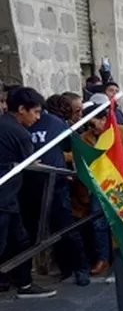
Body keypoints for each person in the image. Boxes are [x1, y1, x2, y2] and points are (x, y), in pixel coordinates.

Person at [78, 94, 123, 275]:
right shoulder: (85, 138)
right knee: (98, 223)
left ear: (103, 119)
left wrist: (122, 167)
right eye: (88, 125)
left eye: (93, 124)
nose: (92, 129)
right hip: (99, 187)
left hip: (121, 184)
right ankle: (103, 259)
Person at [0, 87, 57, 298]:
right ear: (21, 109)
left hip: (9, 198)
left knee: (20, 240)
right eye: (35, 112)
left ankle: (24, 283)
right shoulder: (18, 132)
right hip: (4, 198)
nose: (38, 117)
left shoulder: (4, 125)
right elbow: (30, 165)